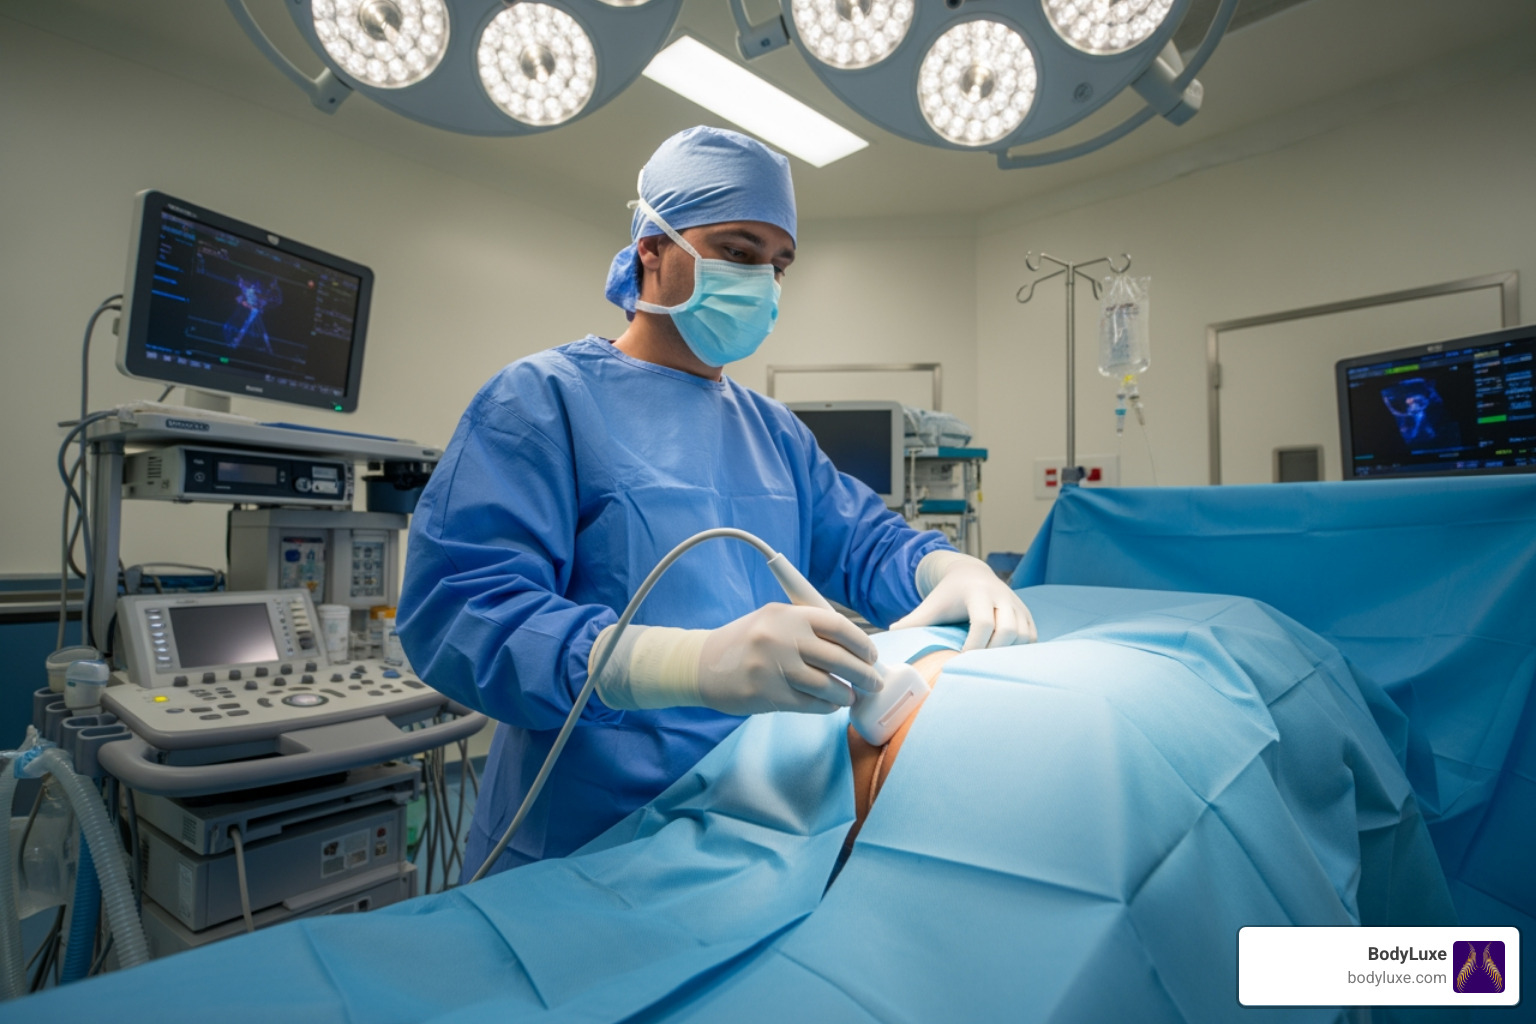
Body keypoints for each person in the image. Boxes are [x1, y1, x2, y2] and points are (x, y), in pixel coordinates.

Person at [398, 125, 1034, 878]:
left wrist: (947, 570)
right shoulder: (542, 402)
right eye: (738, 251)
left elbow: (864, 542)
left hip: (753, 822)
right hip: (583, 838)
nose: (763, 278)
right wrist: (686, 663)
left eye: (779, 263)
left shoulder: (775, 433)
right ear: (652, 250)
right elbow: (460, 613)